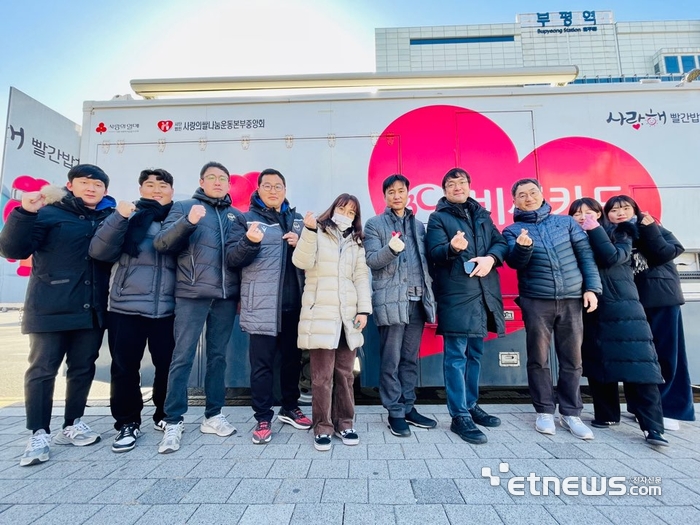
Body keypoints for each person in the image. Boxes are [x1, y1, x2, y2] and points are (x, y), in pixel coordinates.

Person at [0, 164, 115, 466]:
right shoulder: (48, 212)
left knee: (82, 367)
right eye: (85, 182)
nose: (92, 188)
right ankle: (38, 432)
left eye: (98, 184)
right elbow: (12, 247)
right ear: (70, 185)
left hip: (91, 308)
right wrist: (24, 212)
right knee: (42, 370)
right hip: (50, 305)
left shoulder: (106, 217)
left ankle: (73, 423)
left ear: (105, 190)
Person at [153, 161, 245, 454]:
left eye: (223, 179)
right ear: (201, 181)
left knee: (218, 357)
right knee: (182, 356)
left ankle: (213, 415)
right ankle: (173, 420)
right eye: (212, 178)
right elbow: (162, 244)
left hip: (225, 296)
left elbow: (239, 258)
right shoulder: (183, 208)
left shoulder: (236, 215)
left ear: (229, 185)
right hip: (191, 294)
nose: (218, 182)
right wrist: (188, 222)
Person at [502, 178, 601, 440]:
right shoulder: (512, 231)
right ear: (514, 201)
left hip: (572, 299)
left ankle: (571, 413)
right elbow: (515, 263)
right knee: (539, 358)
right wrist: (523, 249)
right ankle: (544, 411)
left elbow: (586, 256)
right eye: (521, 195)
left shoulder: (566, 223)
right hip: (536, 300)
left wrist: (592, 288)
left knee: (572, 359)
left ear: (542, 195)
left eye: (532, 192)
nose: (528, 198)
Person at [88, 168, 177, 453]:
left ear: (171, 191)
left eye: (162, 185)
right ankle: (127, 422)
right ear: (141, 190)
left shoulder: (179, 219)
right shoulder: (128, 217)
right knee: (125, 368)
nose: (156, 190)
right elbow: (99, 251)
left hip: (167, 308)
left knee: (167, 366)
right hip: (126, 307)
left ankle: (163, 415)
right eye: (150, 185)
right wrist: (119, 217)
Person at [569, 198, 668, 446]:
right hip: (590, 308)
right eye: (577, 214)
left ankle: (653, 427)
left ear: (600, 214)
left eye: (589, 212)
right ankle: (607, 414)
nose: (583, 217)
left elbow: (612, 257)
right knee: (598, 361)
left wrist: (595, 230)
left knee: (639, 364)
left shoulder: (621, 232)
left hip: (624, 307)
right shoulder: (571, 238)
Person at [227, 168, 312, 444]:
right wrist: (250, 242)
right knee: (261, 365)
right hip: (261, 305)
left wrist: (301, 244)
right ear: (259, 190)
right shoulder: (246, 219)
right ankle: (263, 417)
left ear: (285, 190)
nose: (273, 190)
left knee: (292, 362)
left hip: (295, 307)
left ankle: (289, 407)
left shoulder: (298, 221)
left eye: (278, 186)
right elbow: (232, 259)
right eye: (267, 186)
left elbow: (314, 258)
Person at [425, 168, 507, 444]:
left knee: (474, 355)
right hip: (457, 297)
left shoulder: (482, 215)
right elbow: (434, 254)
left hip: (484, 296)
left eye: (461, 182)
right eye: (451, 183)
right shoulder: (438, 218)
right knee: (456, 358)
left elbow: (501, 243)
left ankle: (471, 406)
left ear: (470, 186)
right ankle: (459, 416)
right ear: (445, 190)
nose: (457, 187)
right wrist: (453, 248)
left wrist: (491, 259)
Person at [604, 195, 695, 431]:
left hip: (662, 298)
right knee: (639, 356)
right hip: (632, 302)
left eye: (625, 208)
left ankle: (670, 409)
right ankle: (641, 407)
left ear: (635, 209)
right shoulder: (612, 234)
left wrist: (648, 229)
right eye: (614, 210)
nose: (620, 213)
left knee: (667, 354)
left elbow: (665, 253)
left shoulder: (654, 227)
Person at [292, 194, 372, 451]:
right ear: (333, 209)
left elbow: (361, 277)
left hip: (348, 318)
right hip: (321, 315)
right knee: (321, 377)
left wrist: (364, 311)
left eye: (351, 212)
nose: (345, 214)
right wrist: (308, 229)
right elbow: (301, 261)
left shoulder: (356, 242)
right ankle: (323, 426)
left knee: (346, 375)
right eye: (342, 208)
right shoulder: (317, 231)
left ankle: (345, 423)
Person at [364, 174, 437, 437]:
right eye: (391, 192)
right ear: (384, 196)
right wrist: (391, 249)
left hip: (418, 301)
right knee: (391, 360)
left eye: (401, 191)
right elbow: (372, 260)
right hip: (392, 301)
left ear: (408, 194)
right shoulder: (375, 224)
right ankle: (394, 412)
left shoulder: (419, 225)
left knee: (409, 359)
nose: (396, 195)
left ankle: (408, 407)